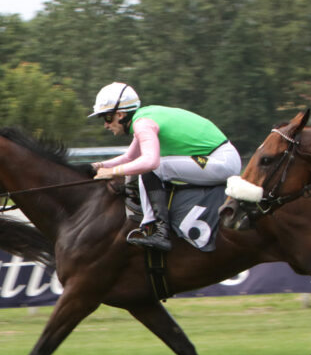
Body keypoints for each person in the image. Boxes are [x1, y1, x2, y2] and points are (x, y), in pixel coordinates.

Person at [89, 82, 241, 251]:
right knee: (148, 168)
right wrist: (97, 166)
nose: (105, 125)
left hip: (222, 161)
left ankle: (159, 231)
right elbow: (130, 157)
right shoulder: (143, 118)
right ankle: (152, 226)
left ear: (120, 114)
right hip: (219, 158)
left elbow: (150, 162)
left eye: (107, 118)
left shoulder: (142, 124)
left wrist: (112, 171)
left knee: (153, 169)